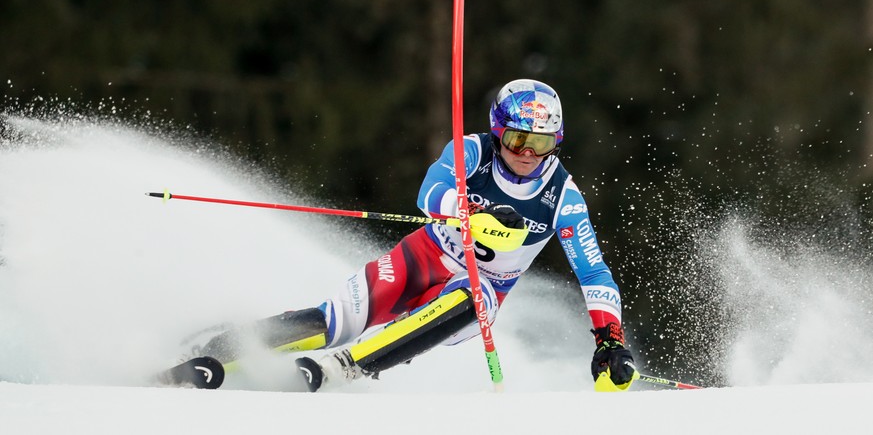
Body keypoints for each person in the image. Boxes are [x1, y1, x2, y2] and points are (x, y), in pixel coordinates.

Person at [196, 79, 637, 392]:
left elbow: (593, 270)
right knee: (336, 319)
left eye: (539, 144)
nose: (526, 153)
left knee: (472, 301)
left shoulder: (563, 194)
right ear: (498, 131)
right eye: (517, 138)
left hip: (478, 287)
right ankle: (220, 347)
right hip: (422, 256)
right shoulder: (472, 151)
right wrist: (464, 212)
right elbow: (430, 192)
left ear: (555, 143)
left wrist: (609, 340)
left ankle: (346, 367)